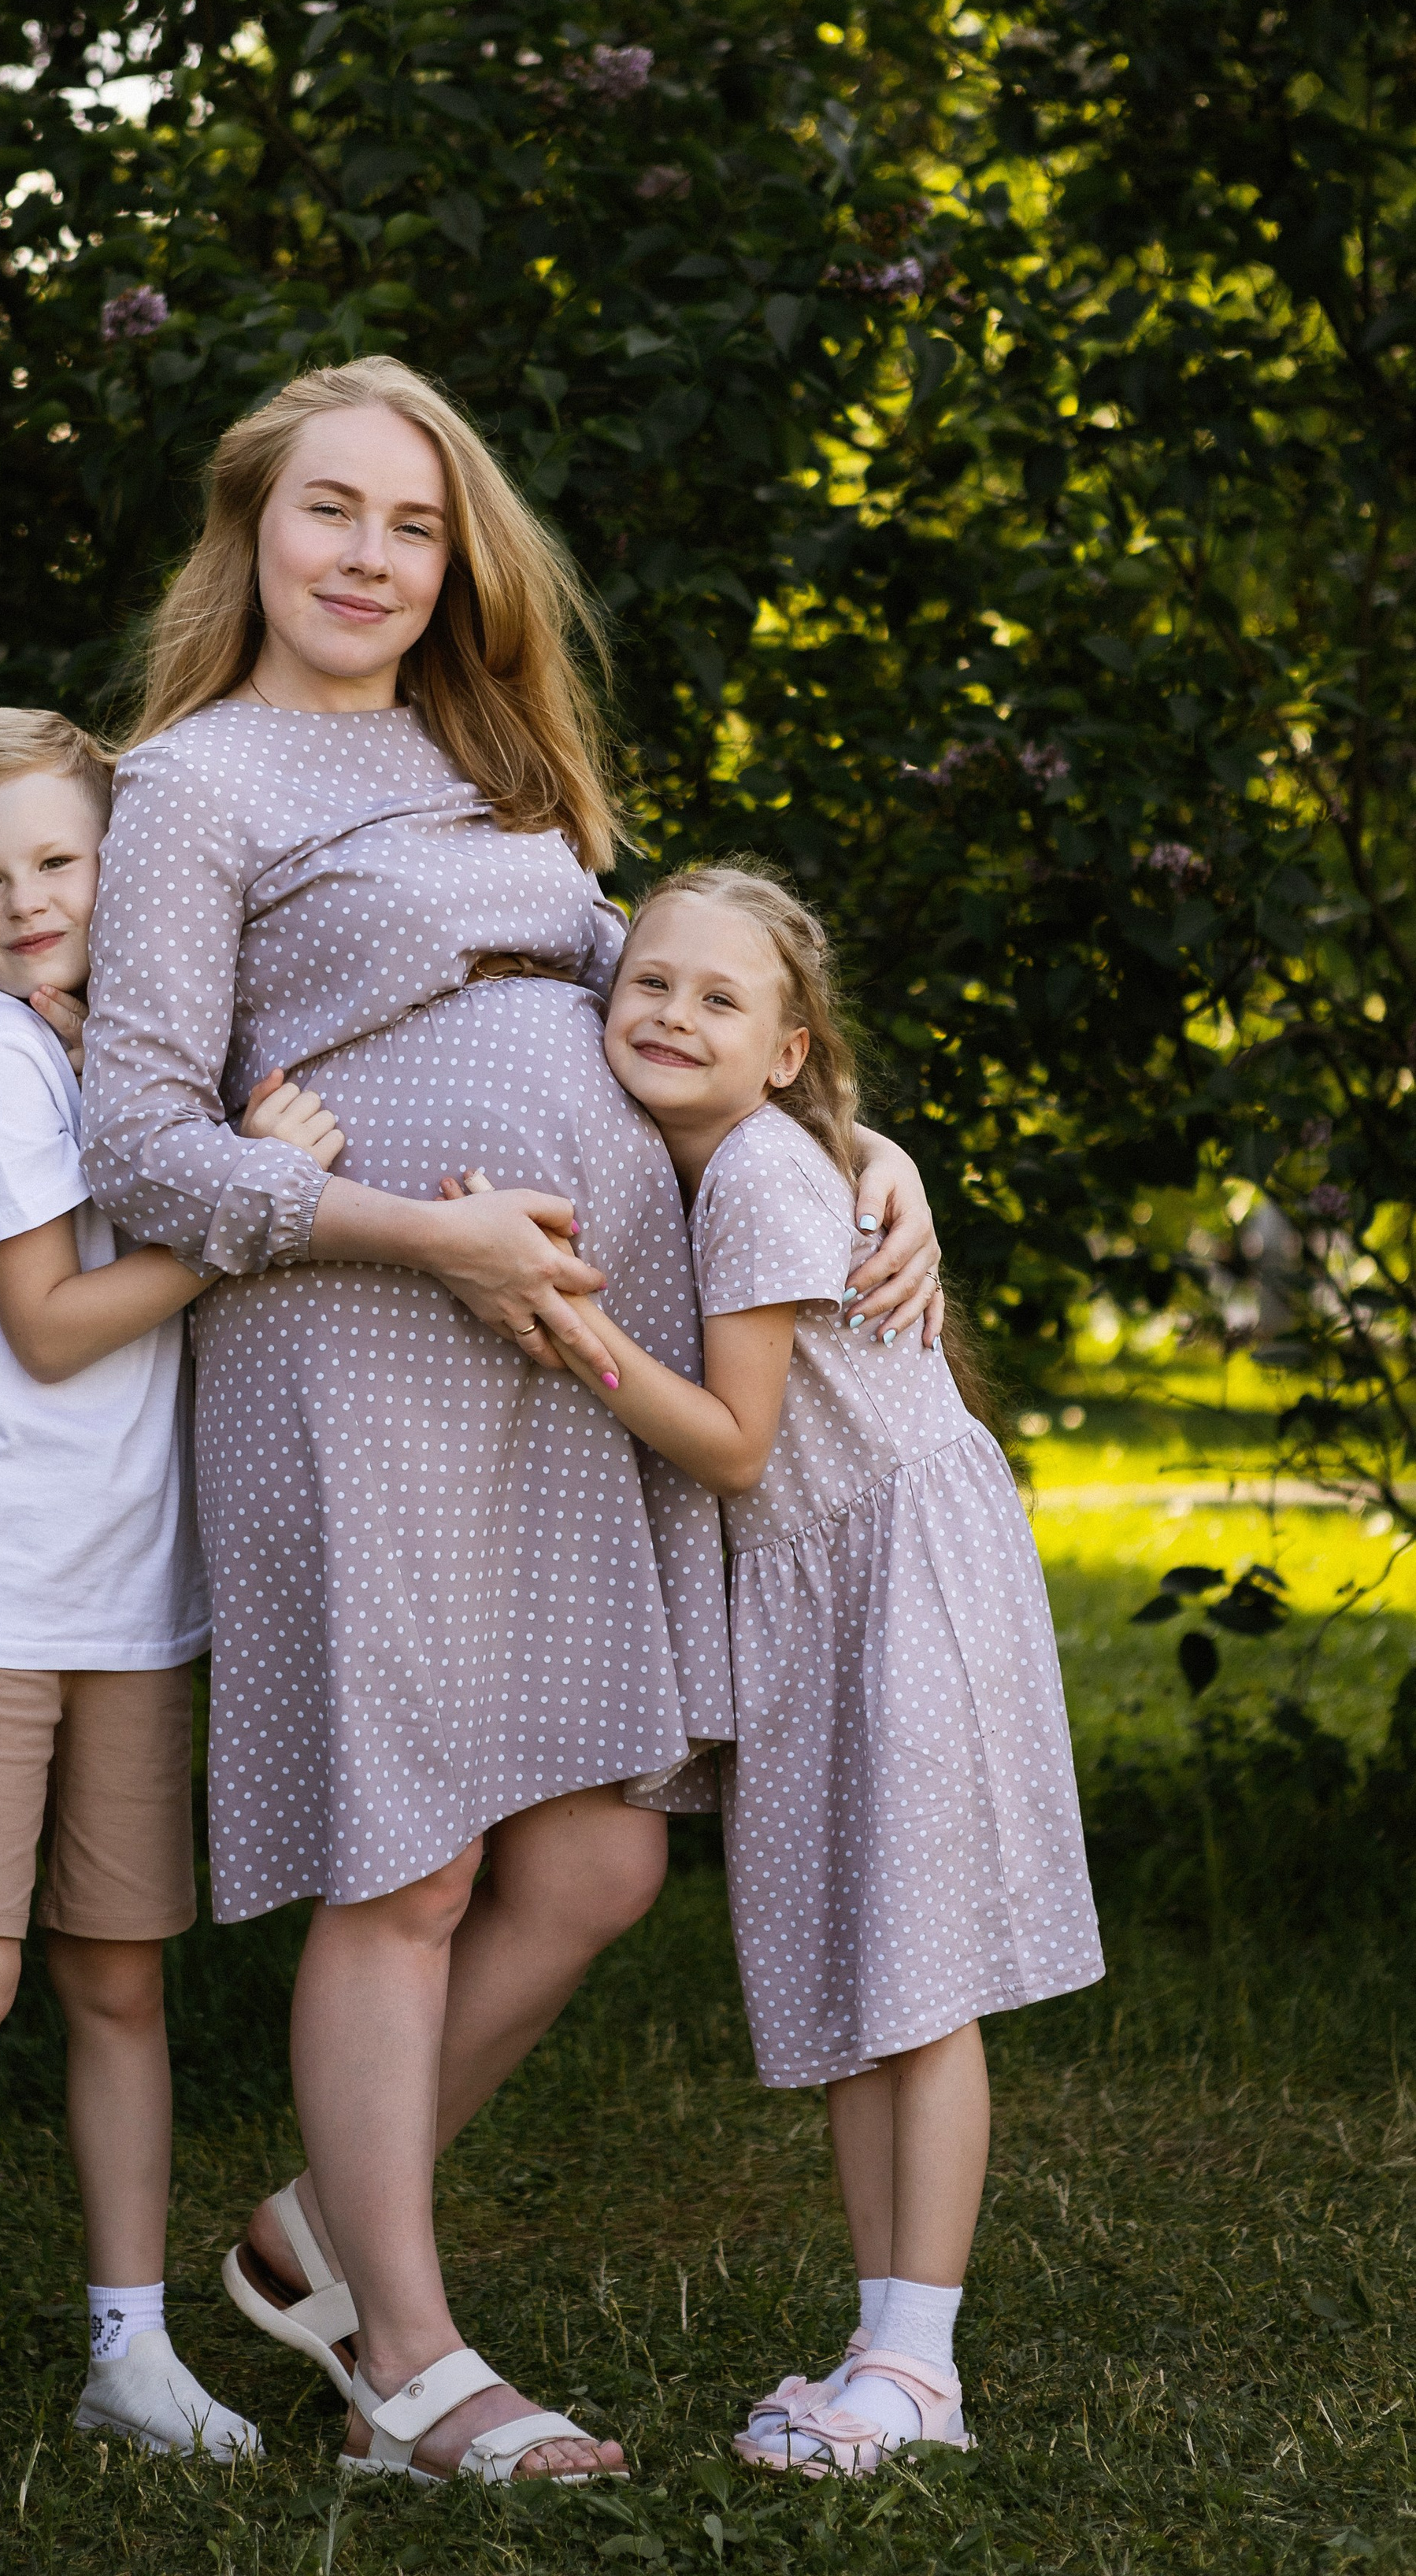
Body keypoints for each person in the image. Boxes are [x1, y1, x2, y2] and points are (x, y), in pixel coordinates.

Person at [80, 357, 946, 2487]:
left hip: (553, 1354)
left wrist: (861, 1150)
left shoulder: (501, 763)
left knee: (595, 1851)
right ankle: (408, 2364)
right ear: (248, 530)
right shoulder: (189, 787)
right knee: (412, 1862)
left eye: (414, 524)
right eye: (330, 511)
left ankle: (311, 2239)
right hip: (352, 1340)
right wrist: (430, 1237)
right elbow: (144, 1148)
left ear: (458, 560)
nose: (370, 557)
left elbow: (678, 1017)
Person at [479, 856, 1101, 2478]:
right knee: (847, 1975)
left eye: (721, 998)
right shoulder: (716, 1162)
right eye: (650, 983)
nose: (674, 1013)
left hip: (892, 1572)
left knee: (917, 1978)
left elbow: (739, 1445)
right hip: (821, 1587)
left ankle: (920, 2366)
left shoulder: (756, 1171)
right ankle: (883, 2347)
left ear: (786, 1049)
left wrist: (565, 1323)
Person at [0, 708, 329, 2524]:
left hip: (132, 1603)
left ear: (128, 872)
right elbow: (48, 1324)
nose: (29, 900)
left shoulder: (130, 1059)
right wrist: (248, 1208)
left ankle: (130, 2352)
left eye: (60, 860)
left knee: (121, 1981)